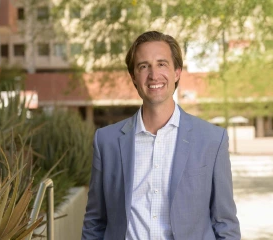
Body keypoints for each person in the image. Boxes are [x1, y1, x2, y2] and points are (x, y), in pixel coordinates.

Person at [82, 31, 240, 240]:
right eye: (144, 66)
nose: (154, 75)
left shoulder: (212, 139)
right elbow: (95, 222)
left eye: (162, 64)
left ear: (177, 72)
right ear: (133, 78)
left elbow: (225, 223)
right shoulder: (106, 141)